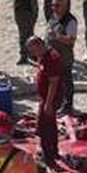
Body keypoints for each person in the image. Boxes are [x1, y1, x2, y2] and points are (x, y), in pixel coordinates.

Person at [27, 36, 62, 165]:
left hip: (50, 98)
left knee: (44, 126)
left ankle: (48, 156)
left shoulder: (51, 58)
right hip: (46, 97)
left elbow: (54, 82)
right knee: (50, 125)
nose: (33, 54)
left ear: (40, 45)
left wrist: (48, 103)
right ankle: (53, 151)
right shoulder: (43, 55)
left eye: (34, 50)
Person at [46, 0, 78, 116]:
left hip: (64, 57)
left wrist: (58, 37)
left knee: (66, 82)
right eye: (53, 5)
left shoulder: (70, 21)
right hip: (52, 56)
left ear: (65, 6)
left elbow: (71, 39)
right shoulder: (53, 17)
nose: (54, 8)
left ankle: (67, 106)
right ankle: (58, 104)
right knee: (56, 82)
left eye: (57, 5)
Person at [13, 0, 39, 65]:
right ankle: (23, 55)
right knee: (22, 33)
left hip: (32, 8)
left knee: (30, 31)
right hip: (20, 9)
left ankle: (32, 54)